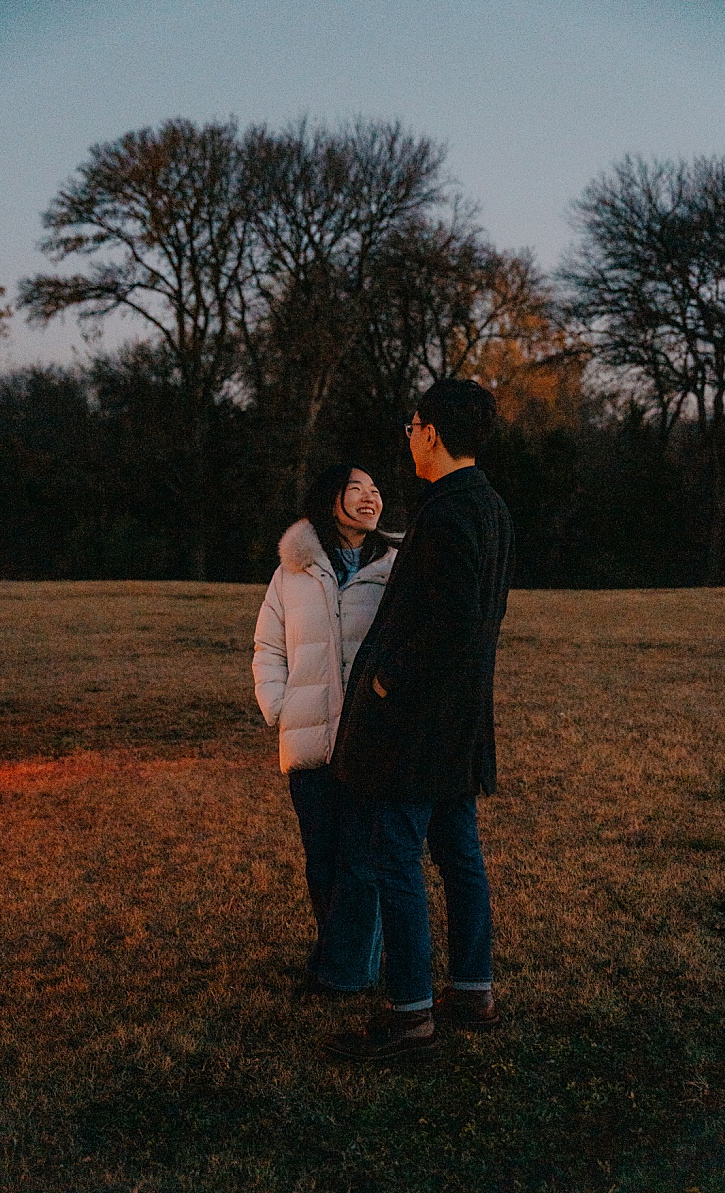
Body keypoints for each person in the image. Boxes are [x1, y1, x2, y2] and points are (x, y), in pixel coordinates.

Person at [323, 378, 516, 1060]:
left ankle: (410, 1014)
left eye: (412, 425)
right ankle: (471, 989)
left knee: (397, 852)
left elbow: (458, 620)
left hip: (421, 721)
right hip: (459, 720)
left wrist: (386, 675)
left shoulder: (451, 511)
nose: (407, 435)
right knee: (458, 850)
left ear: (432, 431)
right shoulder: (488, 506)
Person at [253, 464, 397, 996]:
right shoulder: (293, 570)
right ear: (330, 498)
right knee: (323, 862)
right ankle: (343, 956)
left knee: (362, 860)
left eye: (376, 489)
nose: (369, 497)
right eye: (356, 488)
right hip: (309, 737)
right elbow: (268, 645)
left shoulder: (393, 565)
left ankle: (345, 973)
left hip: (369, 739)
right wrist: (280, 706)